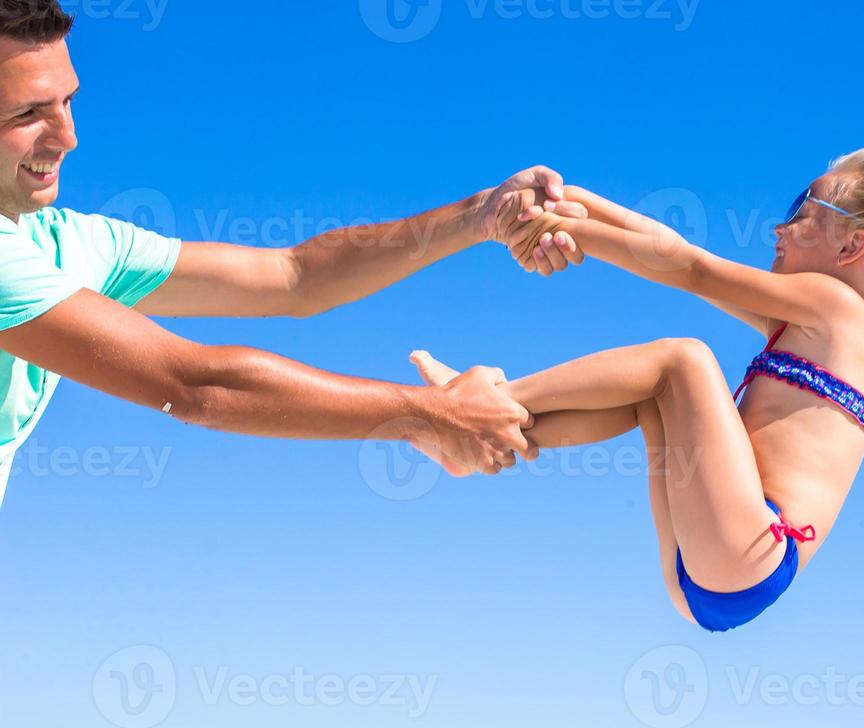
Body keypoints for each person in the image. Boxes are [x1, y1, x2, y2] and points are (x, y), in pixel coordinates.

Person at [415, 146, 864, 632]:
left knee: (683, 360)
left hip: (753, 547)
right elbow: (680, 254)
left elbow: (691, 269)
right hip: (722, 572)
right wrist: (578, 202)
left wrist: (573, 230)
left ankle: (478, 403)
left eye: (803, 210)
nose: (779, 227)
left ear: (853, 244)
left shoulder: (836, 310)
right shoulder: (817, 328)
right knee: (653, 394)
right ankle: (491, 437)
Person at [0, 1, 580, 510]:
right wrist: (431, 415)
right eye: (28, 114)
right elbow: (198, 387)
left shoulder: (67, 243)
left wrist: (477, 216)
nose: (67, 137)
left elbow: (294, 276)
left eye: (67, 102)